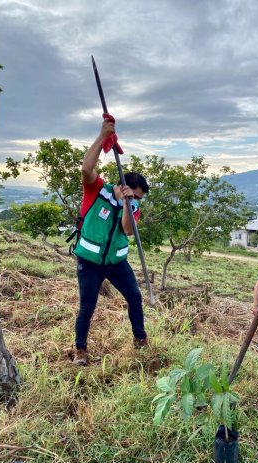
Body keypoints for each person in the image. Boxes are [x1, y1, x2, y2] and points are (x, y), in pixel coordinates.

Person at [71, 114, 149, 366]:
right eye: (136, 195)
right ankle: (80, 350)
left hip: (117, 262)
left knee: (135, 298)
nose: (137, 200)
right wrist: (103, 136)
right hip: (90, 261)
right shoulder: (97, 190)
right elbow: (86, 169)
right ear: (124, 185)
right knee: (87, 306)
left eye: (138, 198)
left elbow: (127, 230)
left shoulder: (133, 206)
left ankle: (140, 340)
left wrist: (128, 204)